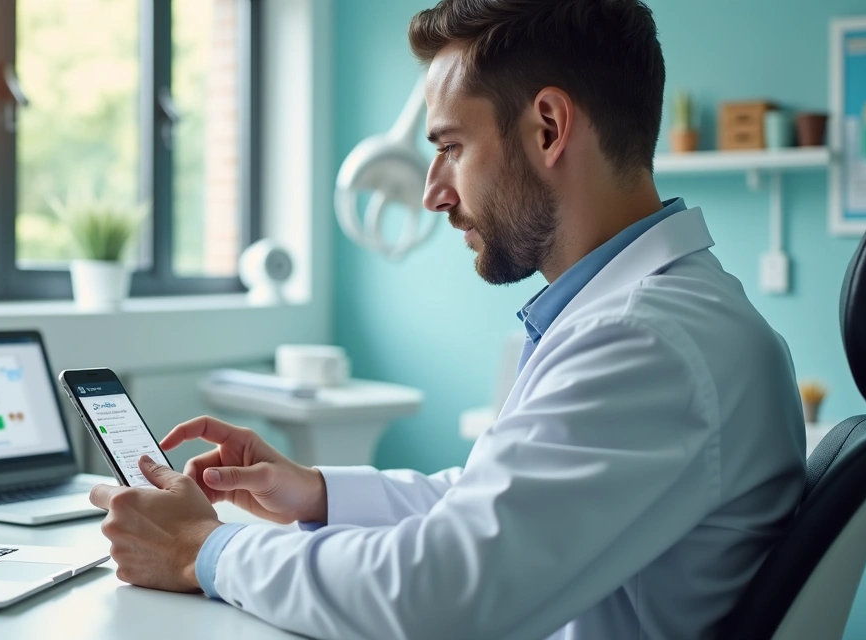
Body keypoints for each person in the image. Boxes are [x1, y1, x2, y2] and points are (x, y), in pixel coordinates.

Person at [87, 0, 807, 638]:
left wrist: (202, 551)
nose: (434, 194)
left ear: (549, 127)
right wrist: (317, 491)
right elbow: (492, 503)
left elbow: (441, 594)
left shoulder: (648, 342)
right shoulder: (649, 316)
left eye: (450, 148)